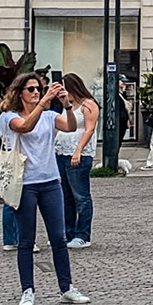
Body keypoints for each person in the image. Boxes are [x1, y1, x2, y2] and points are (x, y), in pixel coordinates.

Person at [0, 74, 88, 305]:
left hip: (50, 182)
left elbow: (70, 126)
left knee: (58, 237)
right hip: (24, 183)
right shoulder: (8, 117)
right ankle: (28, 290)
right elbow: (25, 127)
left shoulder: (48, 116)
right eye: (31, 89)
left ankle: (66, 288)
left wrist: (66, 104)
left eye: (39, 88)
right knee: (26, 240)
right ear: (20, 93)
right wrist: (44, 102)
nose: (37, 92)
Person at [57, 72, 100, 249]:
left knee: (80, 196)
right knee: (65, 196)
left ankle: (83, 234)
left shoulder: (88, 105)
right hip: (61, 152)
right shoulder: (68, 105)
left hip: (78, 153)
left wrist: (79, 150)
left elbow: (89, 129)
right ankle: (68, 232)